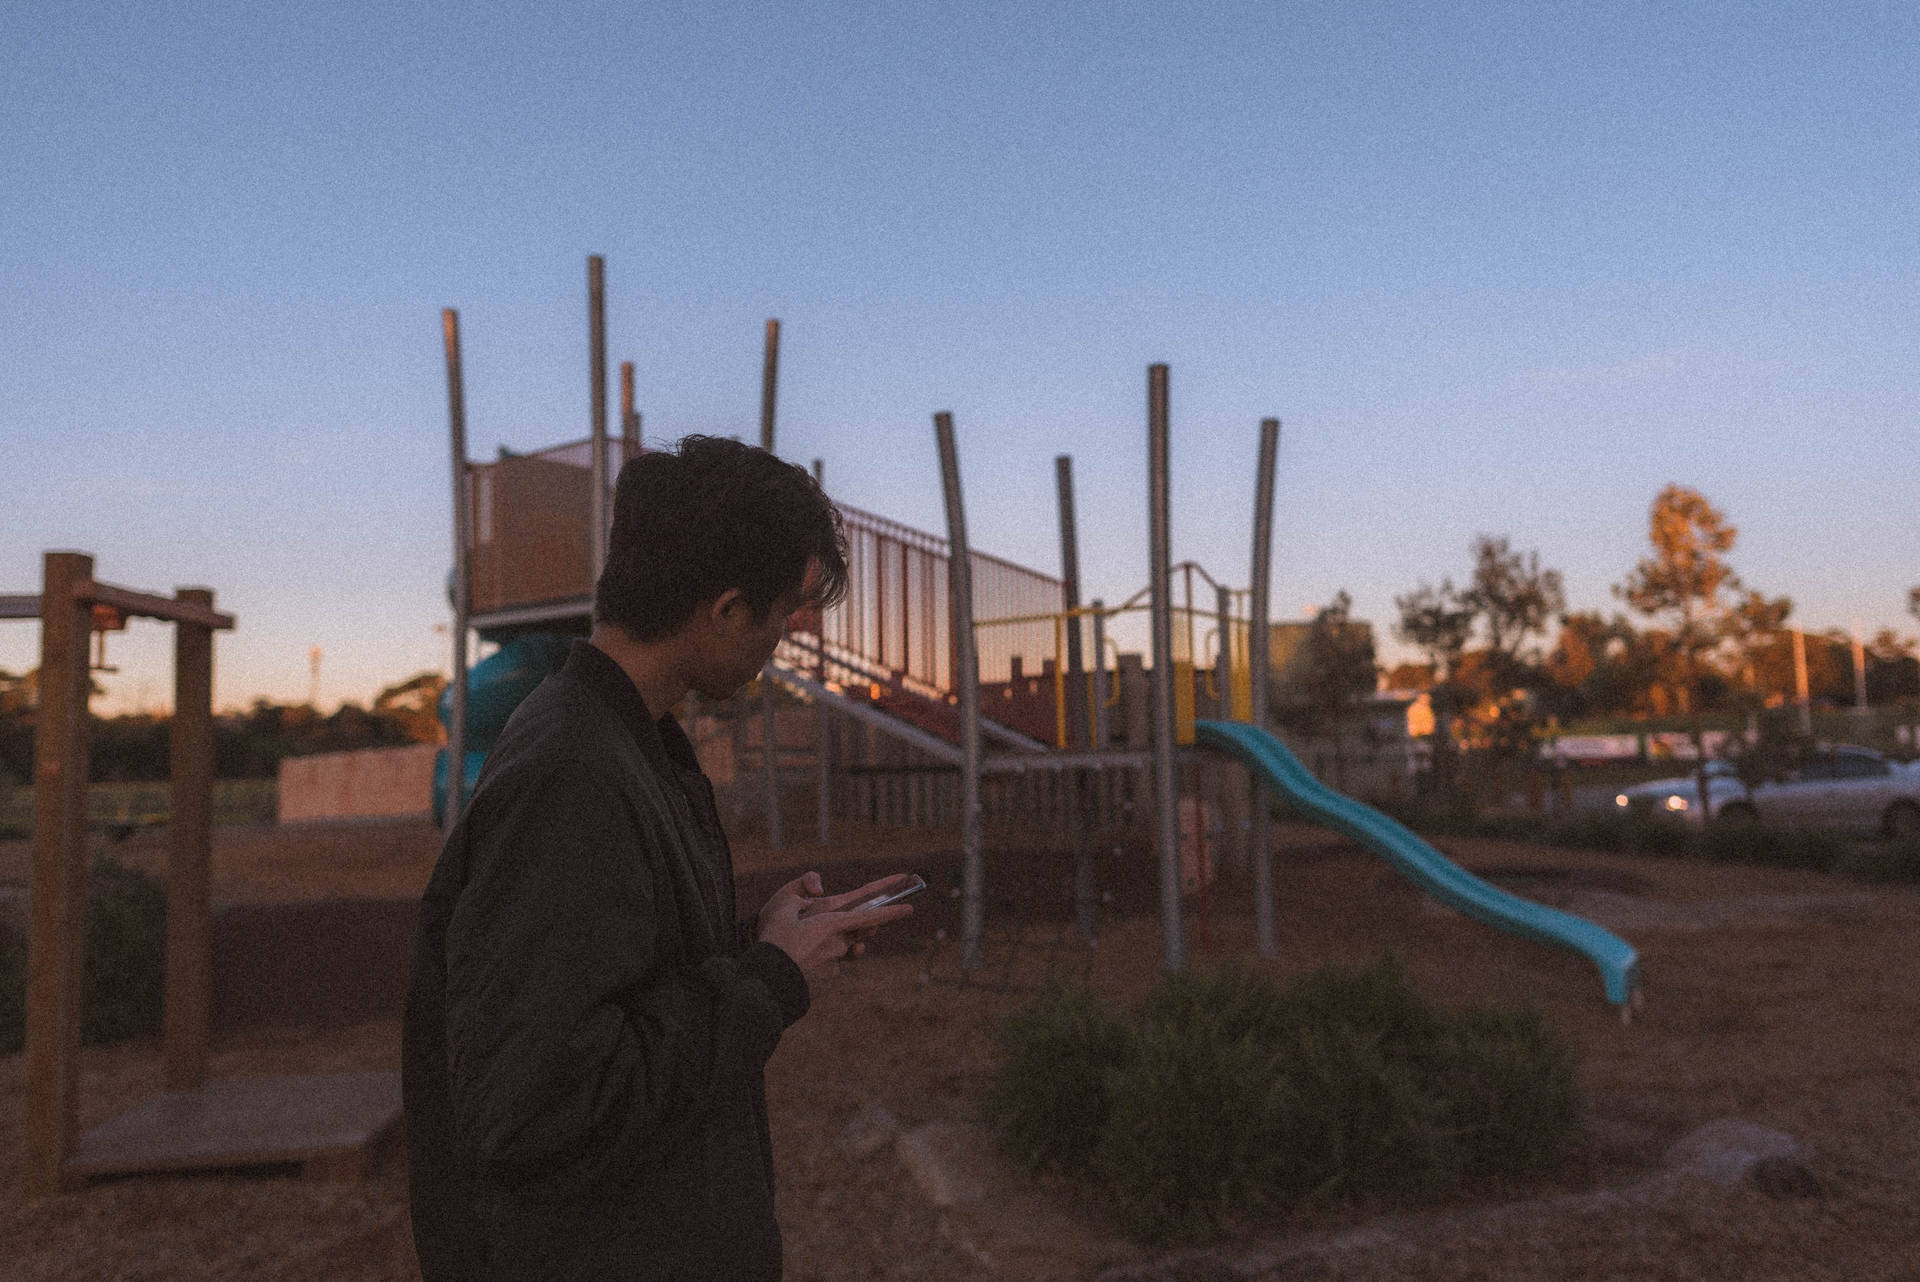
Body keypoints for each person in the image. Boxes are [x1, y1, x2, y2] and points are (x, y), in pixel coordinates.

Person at [403, 436, 914, 1280]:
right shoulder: (571, 778)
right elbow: (544, 1111)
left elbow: (612, 982)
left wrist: (762, 940)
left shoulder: (623, 742)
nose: (790, 636)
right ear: (722, 612)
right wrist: (768, 981)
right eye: (784, 611)